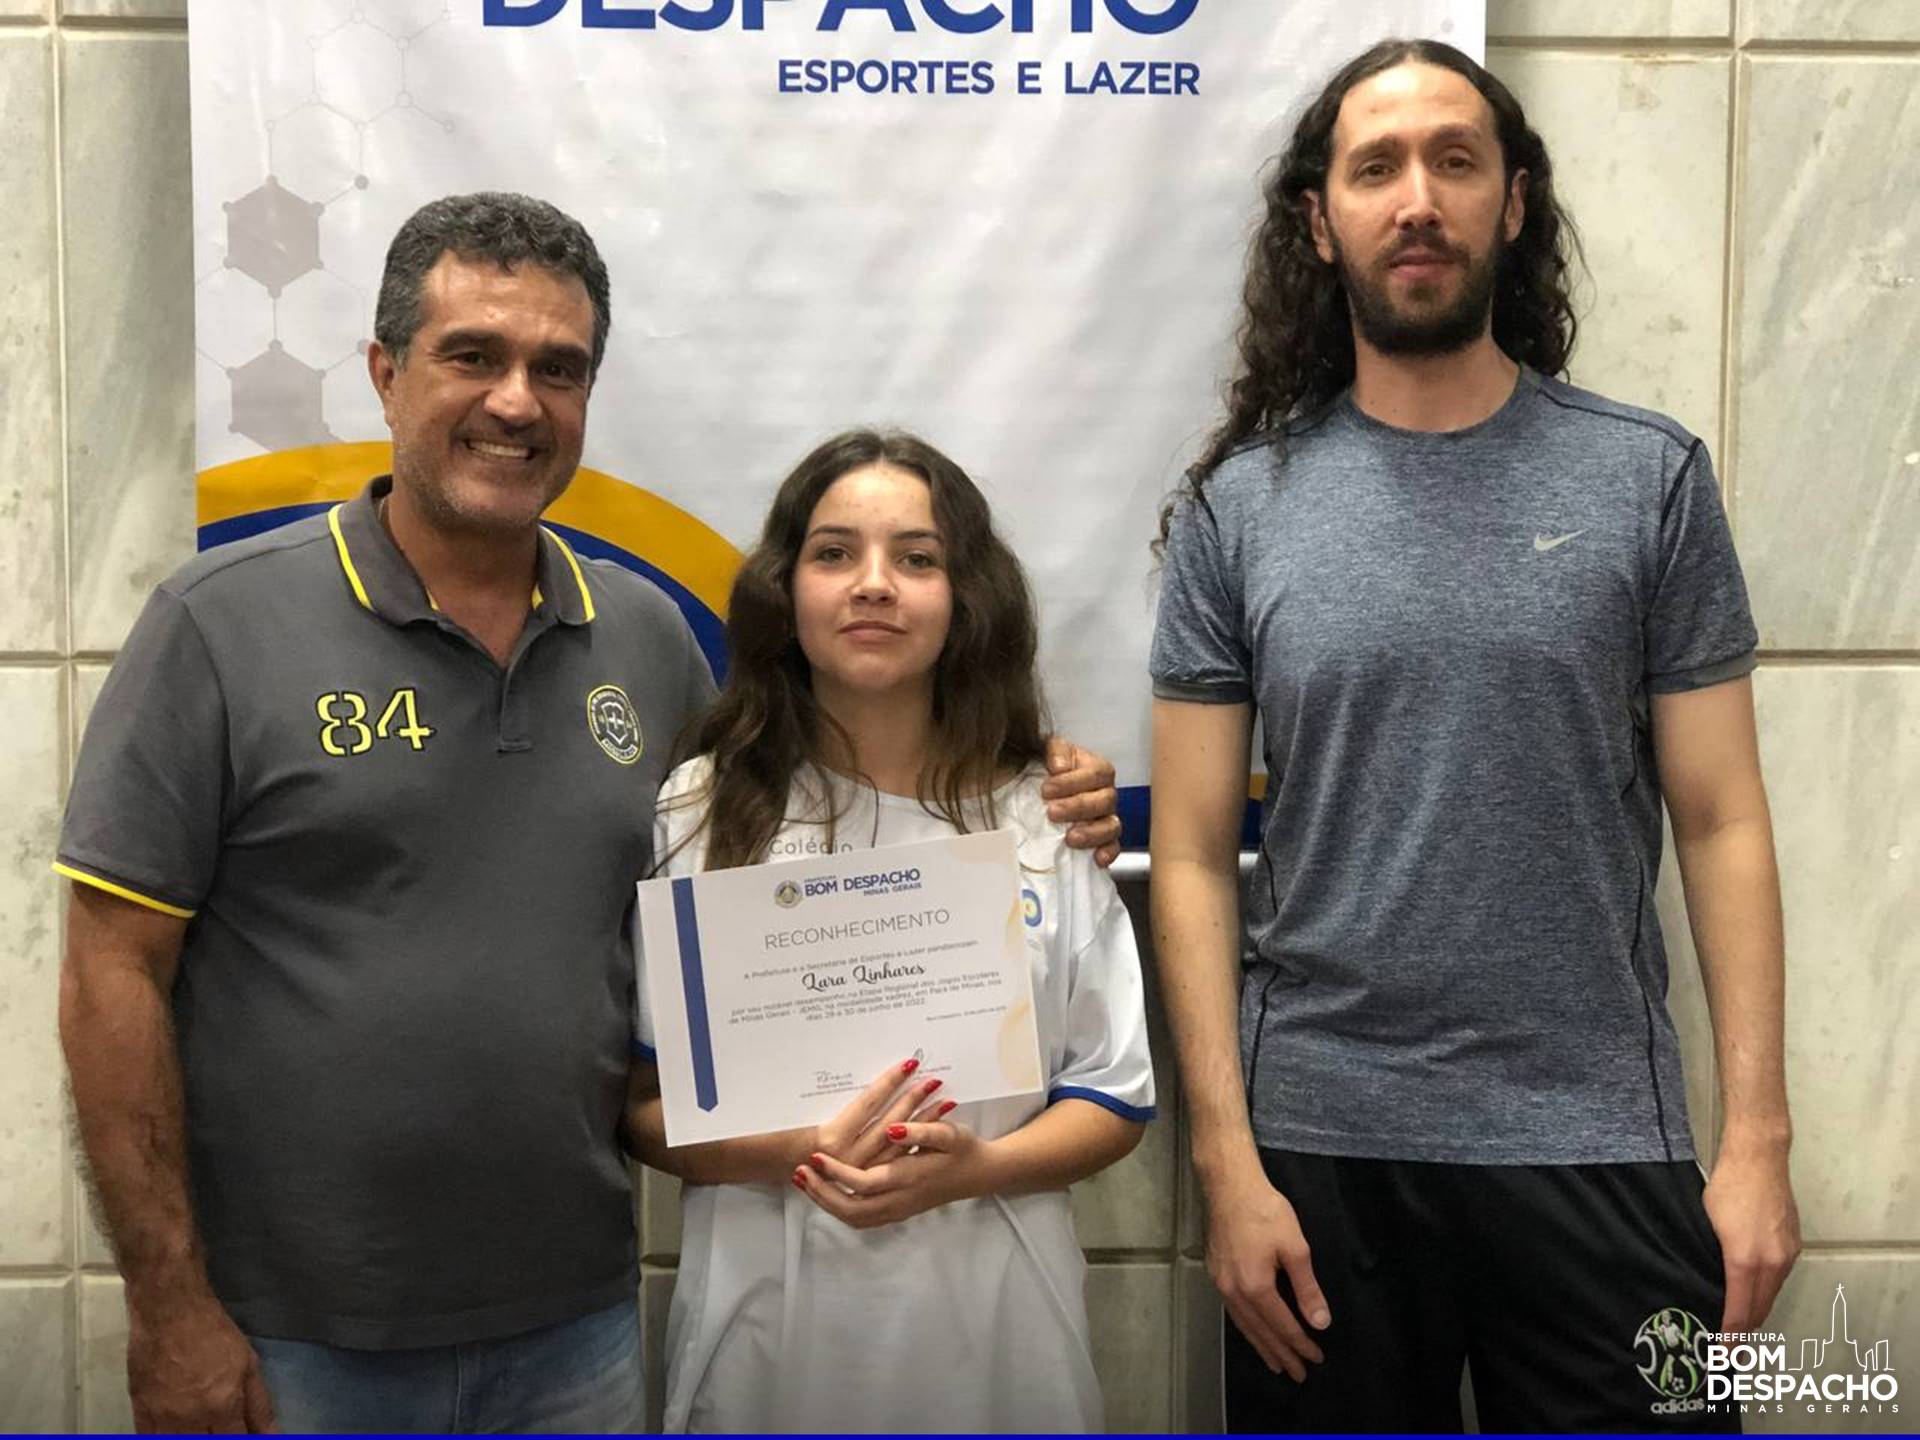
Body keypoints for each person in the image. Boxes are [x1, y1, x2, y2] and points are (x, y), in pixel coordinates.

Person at [55, 193, 1123, 1434]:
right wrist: (169, 1302)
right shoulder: (218, 624)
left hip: (574, 1327)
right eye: (474, 356)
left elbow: (807, 802)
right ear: (386, 375)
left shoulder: (646, 639)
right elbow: (108, 973)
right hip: (293, 1333)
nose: (517, 401)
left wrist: (1040, 776)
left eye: (557, 369)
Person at [1149, 40, 1800, 1433]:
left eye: (1455, 160)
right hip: (1320, 1156)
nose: (1417, 200)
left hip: (1602, 1136)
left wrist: (1757, 1140)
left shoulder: (1648, 479)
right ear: (1319, 221)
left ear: (1512, 203)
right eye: (1375, 167)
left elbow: (1724, 819)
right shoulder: (1237, 510)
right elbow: (1193, 853)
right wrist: (1226, 1167)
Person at [624, 429, 1156, 1433]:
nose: (874, 584)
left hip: (999, 1334)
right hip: (766, 1333)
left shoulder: (1046, 815)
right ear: (787, 592)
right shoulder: (700, 809)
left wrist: (978, 1171)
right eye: (834, 553)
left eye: (917, 558)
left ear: (966, 600)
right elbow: (644, 1108)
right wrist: (796, 1149)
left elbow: (1114, 1094)